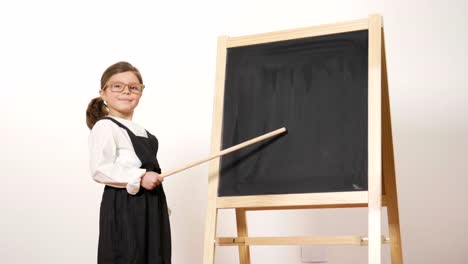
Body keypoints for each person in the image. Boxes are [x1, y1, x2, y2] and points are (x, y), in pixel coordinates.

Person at [86, 61, 171, 264]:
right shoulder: (105, 126)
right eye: (117, 86)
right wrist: (140, 177)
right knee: (128, 256)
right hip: (124, 207)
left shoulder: (142, 132)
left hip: (150, 206)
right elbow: (100, 169)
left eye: (133, 87)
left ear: (141, 93)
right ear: (103, 92)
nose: (126, 92)